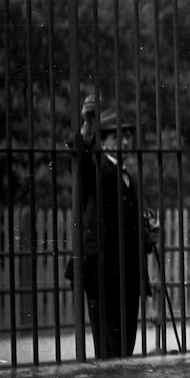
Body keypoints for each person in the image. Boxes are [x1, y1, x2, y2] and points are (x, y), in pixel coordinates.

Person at [68, 95, 152, 359]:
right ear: (103, 141)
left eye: (128, 136)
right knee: (109, 350)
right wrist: (86, 128)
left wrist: (150, 235)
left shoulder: (129, 178)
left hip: (127, 274)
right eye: (117, 136)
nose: (125, 142)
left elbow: (129, 228)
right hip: (102, 274)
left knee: (125, 348)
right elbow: (78, 159)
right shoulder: (96, 170)